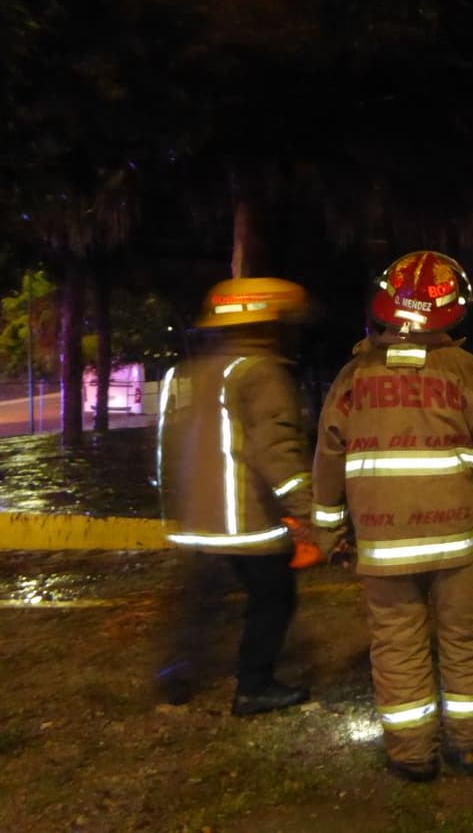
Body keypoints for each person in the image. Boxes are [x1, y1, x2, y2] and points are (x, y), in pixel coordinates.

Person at [310, 250, 473, 782]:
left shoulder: (353, 376)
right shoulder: (472, 374)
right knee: (468, 637)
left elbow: (328, 457)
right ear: (456, 309)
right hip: (456, 543)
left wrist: (329, 530)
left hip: (383, 547)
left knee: (396, 644)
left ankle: (411, 754)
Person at [156, 277, 316, 716]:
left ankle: (177, 674)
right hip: (244, 521)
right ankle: (254, 685)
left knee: (202, 600)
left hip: (200, 517)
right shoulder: (261, 371)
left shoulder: (199, 369)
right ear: (270, 323)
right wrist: (311, 513)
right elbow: (277, 452)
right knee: (274, 598)